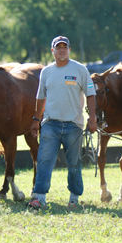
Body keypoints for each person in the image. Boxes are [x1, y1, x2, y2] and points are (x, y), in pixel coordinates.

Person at [28, 36, 97, 211]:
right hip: (50, 123)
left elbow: (91, 94)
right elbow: (40, 97)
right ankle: (40, 197)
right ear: (52, 51)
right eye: (58, 48)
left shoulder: (80, 70)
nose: (61, 50)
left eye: (64, 47)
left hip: (73, 125)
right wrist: (36, 120)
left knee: (74, 162)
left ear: (69, 49)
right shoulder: (46, 72)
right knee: (44, 160)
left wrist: (93, 118)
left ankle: (74, 198)